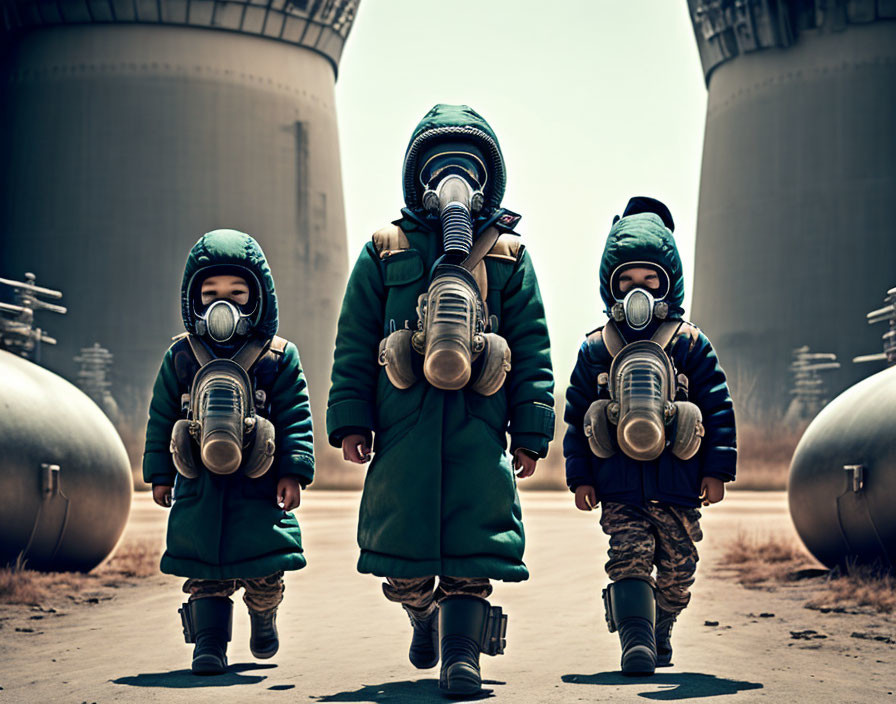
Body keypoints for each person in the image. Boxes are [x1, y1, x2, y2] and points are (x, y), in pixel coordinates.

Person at [327, 104, 554, 696]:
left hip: (479, 429)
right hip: (404, 433)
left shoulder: (506, 255)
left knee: (472, 553)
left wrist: (530, 432)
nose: (454, 182)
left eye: (467, 169)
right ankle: (421, 614)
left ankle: (462, 655)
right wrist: (352, 420)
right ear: (417, 179)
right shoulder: (387, 250)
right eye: (439, 167)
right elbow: (354, 341)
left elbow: (531, 346)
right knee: (403, 565)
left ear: (488, 182)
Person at [563, 197, 736, 675]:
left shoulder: (690, 343)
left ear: (670, 281)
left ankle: (661, 625)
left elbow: (718, 407)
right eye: (626, 282)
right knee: (628, 559)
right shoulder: (597, 347)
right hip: (619, 487)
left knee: (679, 572)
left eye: (649, 280)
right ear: (609, 286)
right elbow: (577, 416)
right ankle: (635, 639)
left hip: (679, 486)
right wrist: (580, 477)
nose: (637, 292)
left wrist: (717, 470)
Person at [143, 229, 314, 675]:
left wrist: (293, 471)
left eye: (238, 293)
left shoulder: (277, 357)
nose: (225, 305)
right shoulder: (181, 357)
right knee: (205, 577)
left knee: (264, 571)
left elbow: (296, 415)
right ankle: (209, 645)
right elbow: (162, 416)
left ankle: (263, 615)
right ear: (194, 301)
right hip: (199, 488)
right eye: (211, 293)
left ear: (258, 300)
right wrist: (160, 474)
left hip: (257, 490)